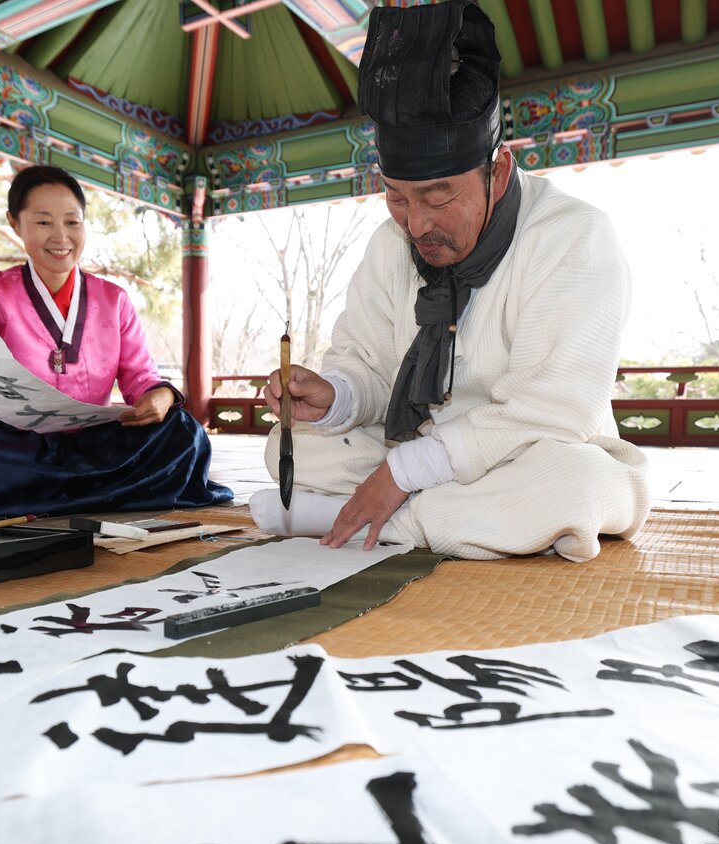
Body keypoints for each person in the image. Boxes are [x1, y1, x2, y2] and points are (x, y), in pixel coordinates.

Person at [249, 0, 649, 562]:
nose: (416, 224)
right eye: (396, 197)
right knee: (289, 448)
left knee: (576, 482)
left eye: (438, 198)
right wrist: (335, 396)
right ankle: (444, 520)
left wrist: (406, 472)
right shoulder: (391, 244)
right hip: (412, 451)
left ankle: (393, 524)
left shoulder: (573, 236)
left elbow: (553, 410)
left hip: (521, 452)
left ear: (499, 171)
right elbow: (367, 365)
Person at [0, 164, 232, 524]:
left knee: (183, 432)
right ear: (14, 223)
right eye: (43, 221)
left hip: (91, 440)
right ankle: (106, 491)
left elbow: (140, 376)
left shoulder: (113, 299)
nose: (60, 236)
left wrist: (160, 396)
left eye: (72, 222)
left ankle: (48, 493)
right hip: (13, 443)